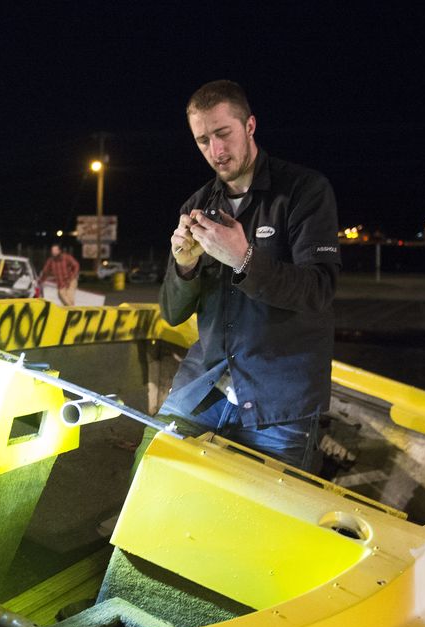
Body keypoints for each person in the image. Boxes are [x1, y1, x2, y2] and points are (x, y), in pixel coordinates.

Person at [137, 80, 340, 474]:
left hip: (280, 398)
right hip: (204, 384)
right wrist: (185, 266)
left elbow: (319, 291)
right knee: (150, 469)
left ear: (249, 126)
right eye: (202, 140)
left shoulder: (304, 191)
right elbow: (172, 312)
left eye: (222, 134)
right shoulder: (196, 206)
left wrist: (243, 258)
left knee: (267, 519)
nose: (215, 151)